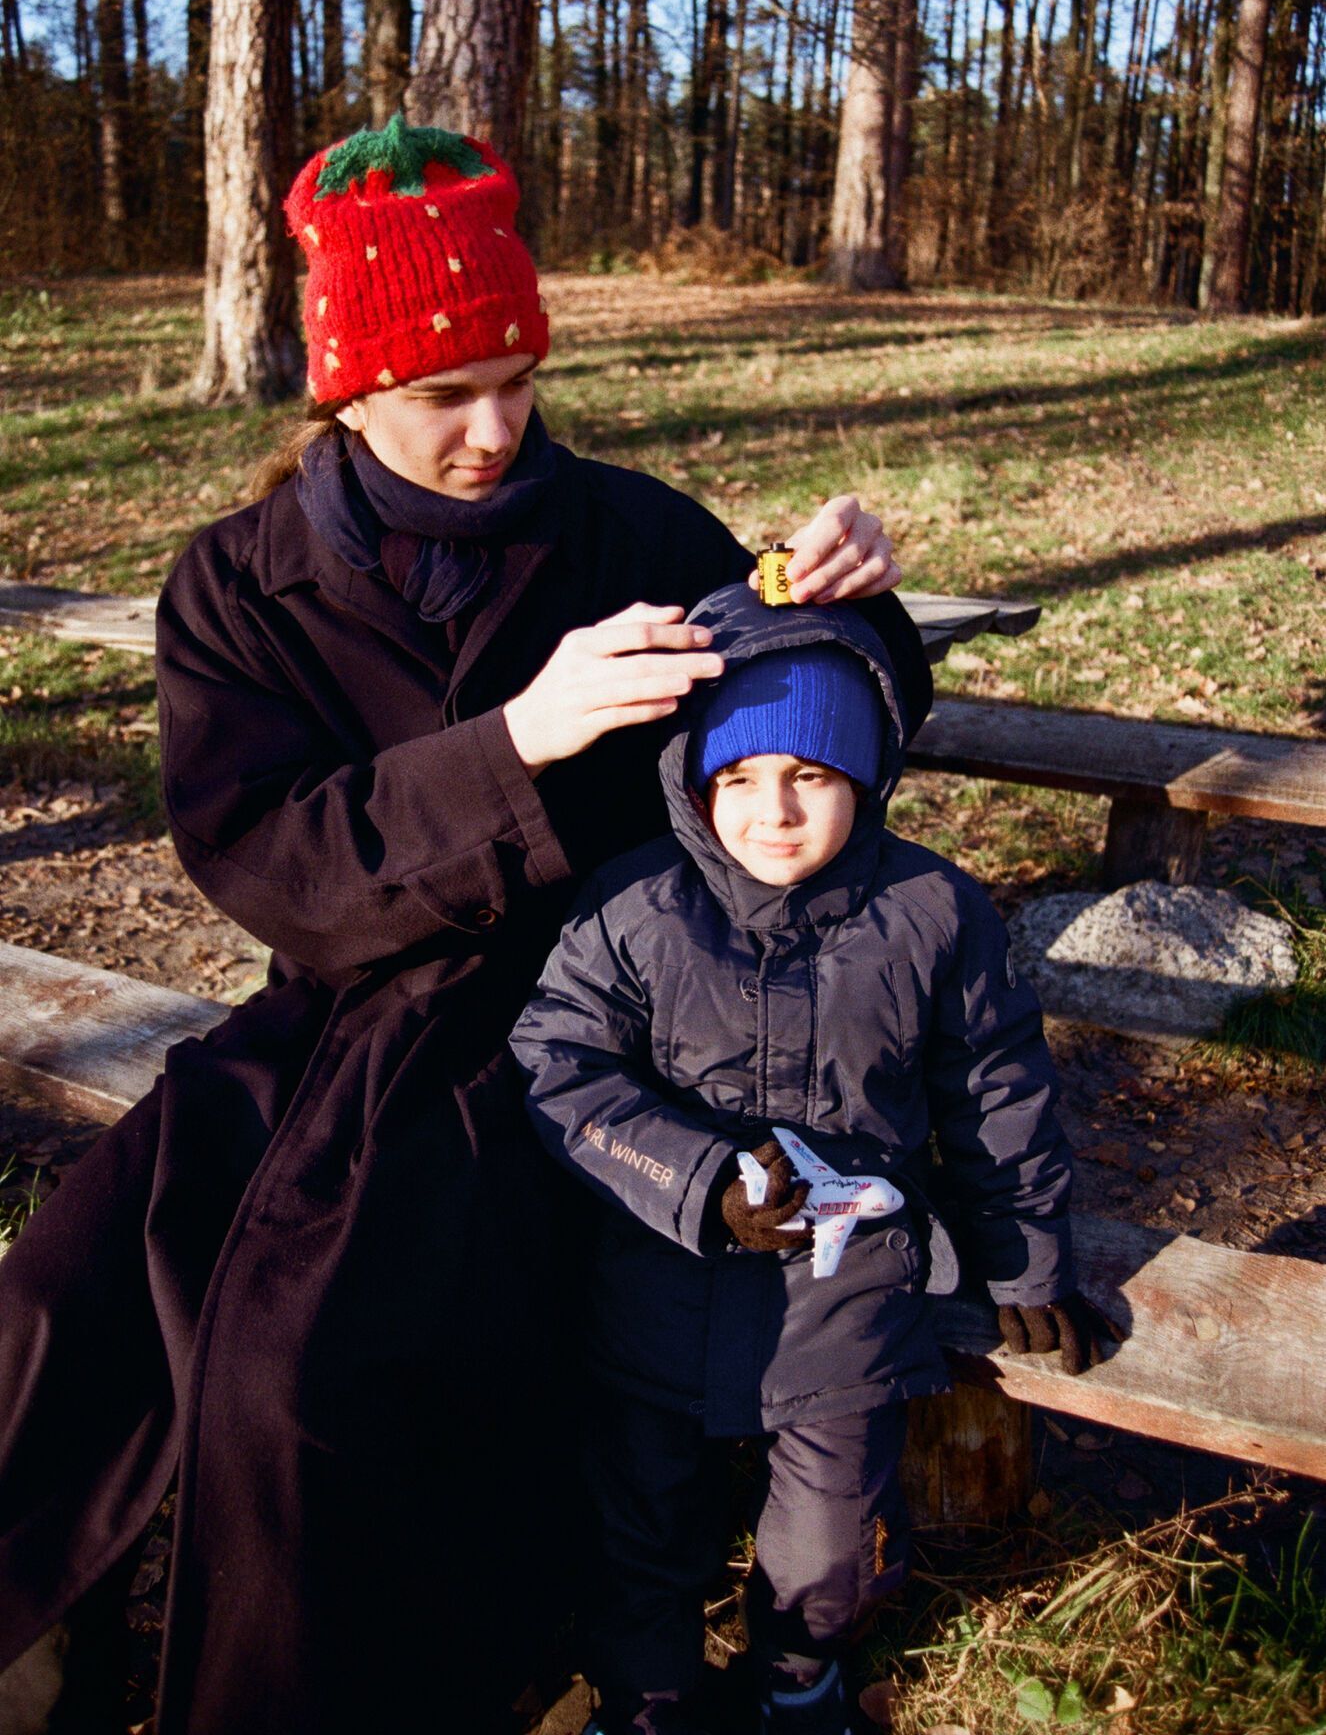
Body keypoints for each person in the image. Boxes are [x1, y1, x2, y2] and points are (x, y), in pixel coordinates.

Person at [0, 117, 934, 1735]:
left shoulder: (628, 534)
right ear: (344, 390)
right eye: (447, 394)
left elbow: (804, 720)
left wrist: (854, 605)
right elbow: (261, 857)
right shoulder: (235, 582)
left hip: (565, 1028)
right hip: (319, 1013)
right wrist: (515, 743)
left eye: (519, 375)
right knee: (57, 1289)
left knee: (300, 1379)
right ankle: (28, 1629)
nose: (498, 429)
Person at [511, 582, 1121, 1735]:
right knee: (643, 1520)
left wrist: (1029, 1261)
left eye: (810, 775)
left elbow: (998, 1093)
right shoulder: (637, 904)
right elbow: (559, 1065)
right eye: (737, 778)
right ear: (694, 782)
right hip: (657, 1289)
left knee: (828, 1536)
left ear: (867, 777)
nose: (772, 811)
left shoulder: (934, 911)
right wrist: (693, 1177)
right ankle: (649, 1690)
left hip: (848, 1301)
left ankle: (801, 1678)